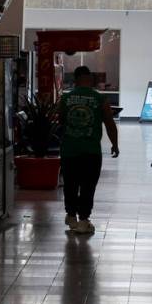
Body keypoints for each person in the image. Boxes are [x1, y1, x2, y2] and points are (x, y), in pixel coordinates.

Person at [58, 65, 119, 234]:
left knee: (70, 184)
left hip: (69, 150)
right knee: (87, 185)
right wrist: (115, 144)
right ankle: (83, 220)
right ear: (90, 79)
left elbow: (61, 121)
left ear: (75, 80)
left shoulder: (66, 98)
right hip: (91, 151)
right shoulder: (99, 98)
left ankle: (71, 216)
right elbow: (109, 123)